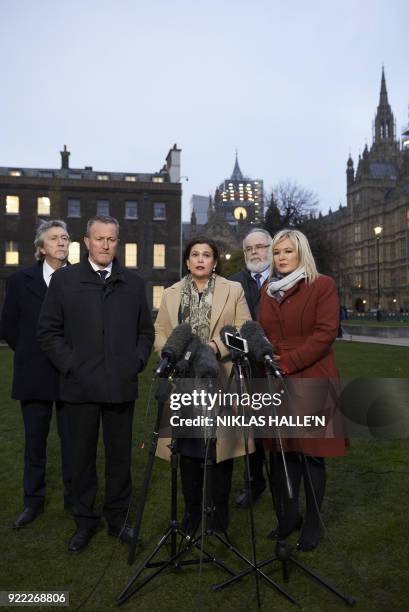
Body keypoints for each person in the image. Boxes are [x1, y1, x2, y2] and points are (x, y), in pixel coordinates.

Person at [38, 216, 154, 553]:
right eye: (99, 238)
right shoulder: (65, 280)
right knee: (80, 459)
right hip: (79, 387)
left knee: (119, 459)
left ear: (118, 242)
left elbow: (145, 332)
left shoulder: (133, 283)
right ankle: (85, 521)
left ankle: (117, 520)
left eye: (112, 239)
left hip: (120, 386)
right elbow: (48, 331)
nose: (105, 245)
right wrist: (70, 365)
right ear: (86, 242)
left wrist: (135, 361)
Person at [155, 236, 251, 534]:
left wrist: (213, 347)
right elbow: (160, 333)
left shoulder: (233, 290)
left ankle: (218, 517)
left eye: (206, 255)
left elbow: (243, 331)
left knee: (219, 452)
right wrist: (177, 355)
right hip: (183, 385)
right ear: (186, 261)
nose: (200, 259)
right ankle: (192, 513)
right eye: (194, 254)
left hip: (220, 382)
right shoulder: (171, 293)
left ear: (214, 261)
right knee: (187, 453)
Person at [258, 228, 346, 551]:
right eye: (277, 252)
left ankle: (313, 522)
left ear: (301, 254)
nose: (280, 257)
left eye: (287, 252)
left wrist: (287, 362)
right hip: (278, 380)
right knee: (286, 453)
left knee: (312, 456)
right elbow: (263, 331)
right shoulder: (268, 291)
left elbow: (325, 334)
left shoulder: (322, 285)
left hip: (312, 375)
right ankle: (288, 517)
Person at [1, 220, 72, 528]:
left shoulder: (80, 279)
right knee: (34, 444)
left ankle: (75, 499)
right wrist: (32, 354)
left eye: (65, 238)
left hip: (72, 375)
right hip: (33, 375)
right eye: (54, 238)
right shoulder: (19, 281)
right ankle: (33, 502)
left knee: (73, 443)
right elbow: (8, 327)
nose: (61, 242)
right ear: (41, 248)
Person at [229, 228, 272, 508]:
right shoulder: (234, 283)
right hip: (247, 368)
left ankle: (283, 484)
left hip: (279, 365)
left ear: (270, 248)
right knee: (252, 432)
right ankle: (254, 482)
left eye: (260, 247)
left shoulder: (285, 278)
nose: (254, 252)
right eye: (249, 249)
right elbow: (227, 324)